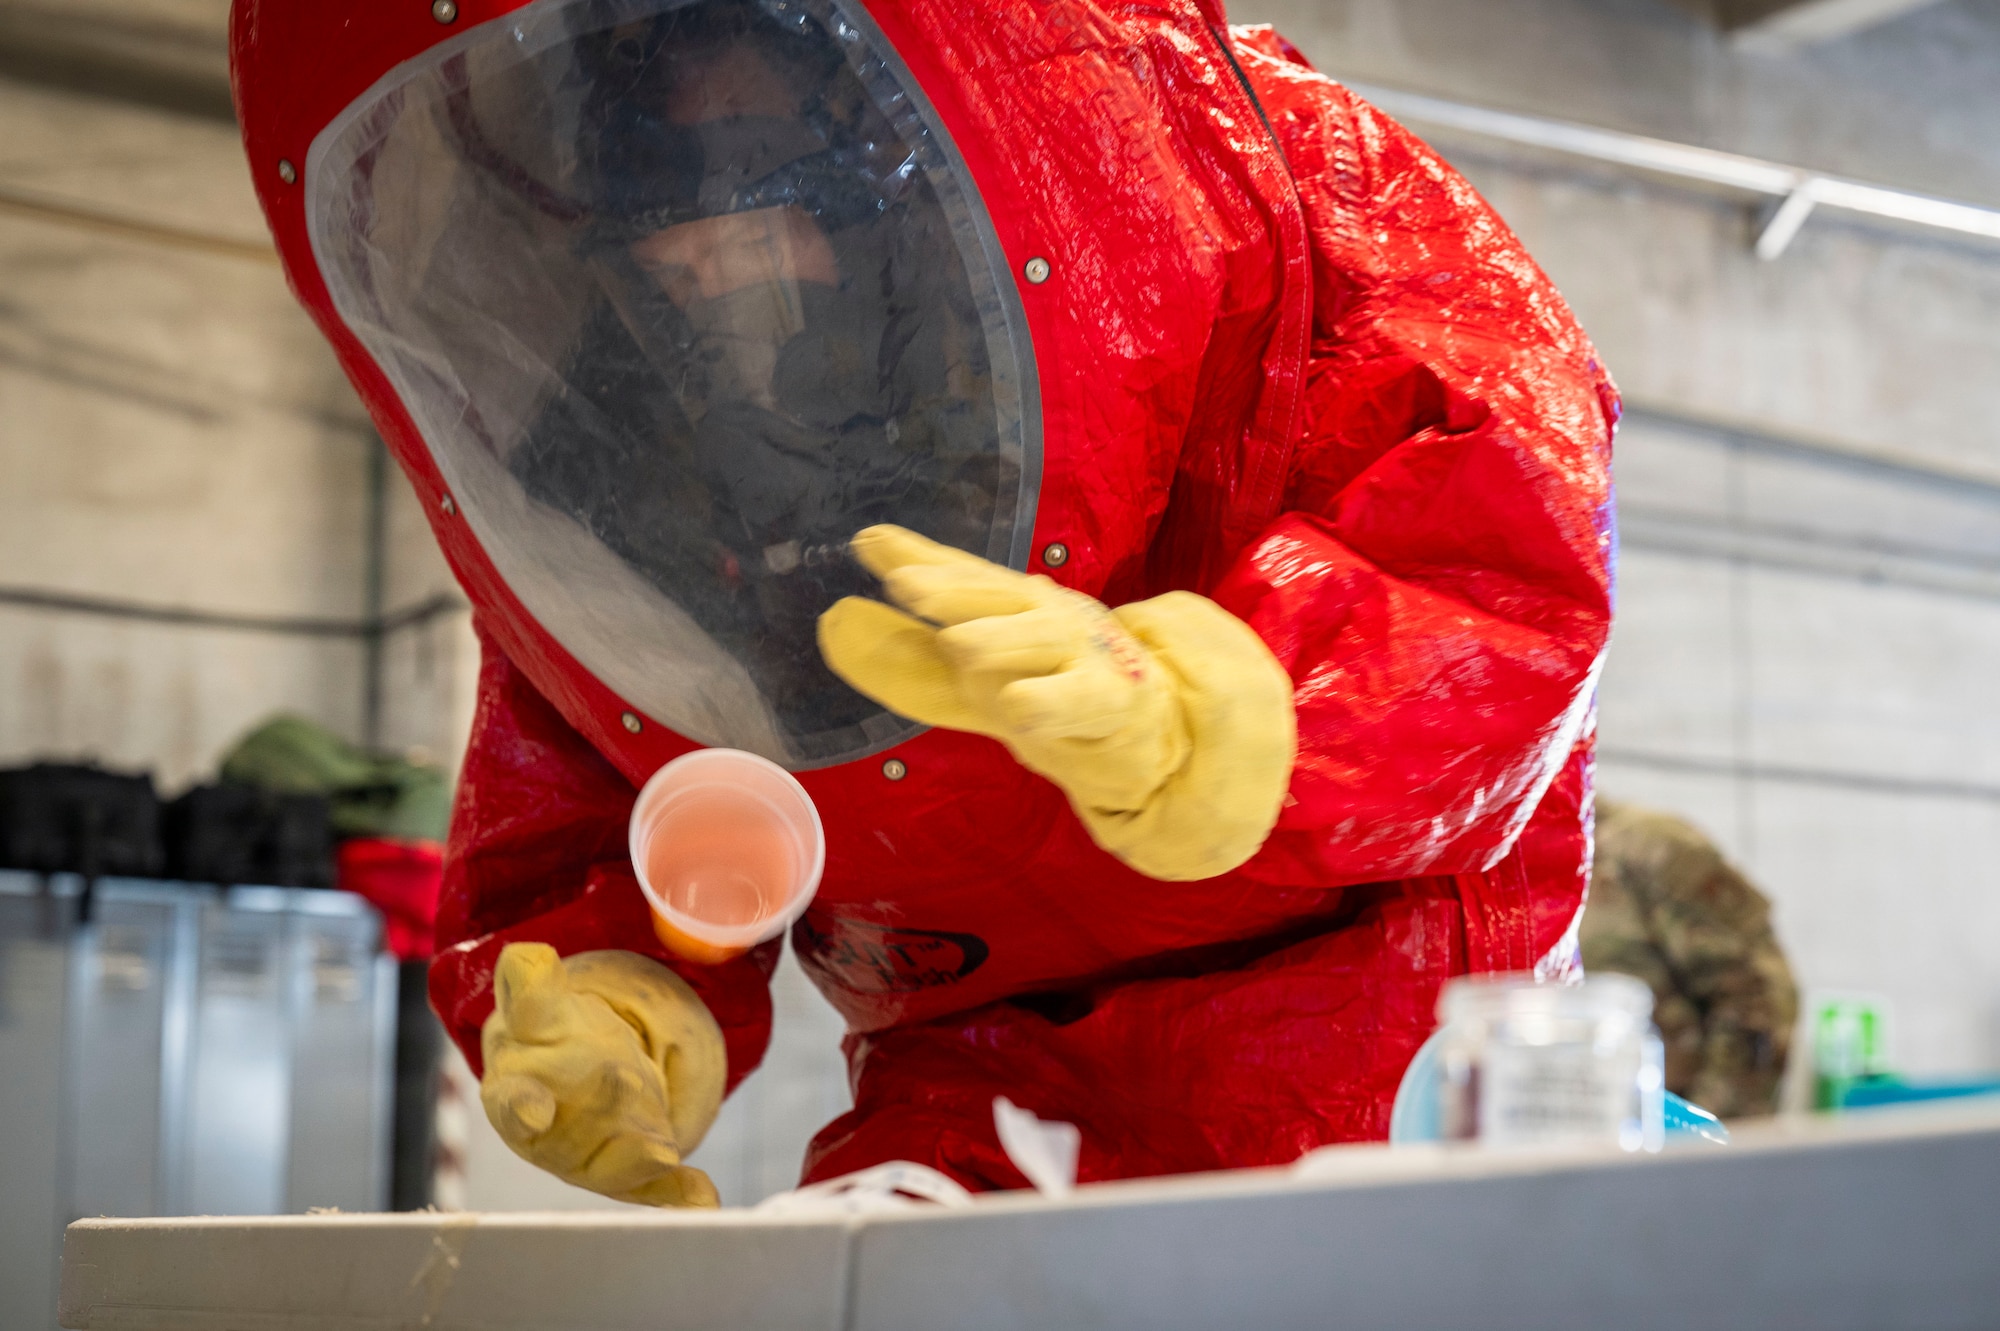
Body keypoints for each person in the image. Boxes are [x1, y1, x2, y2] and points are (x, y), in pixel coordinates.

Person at [232, 0, 1617, 1204]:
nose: (716, 265)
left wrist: (1242, 711)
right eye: (668, 225)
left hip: (1349, 1022)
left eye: (761, 196)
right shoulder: (643, 430)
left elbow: (1506, 545)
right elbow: (606, 732)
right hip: (957, 1058)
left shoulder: (1259, 167)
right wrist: (620, 980)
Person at [1584, 799, 1799, 1119]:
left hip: (1666, 1142)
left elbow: (1757, 993)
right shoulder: (1488, 864)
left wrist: (1705, 1136)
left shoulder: (1647, 848)